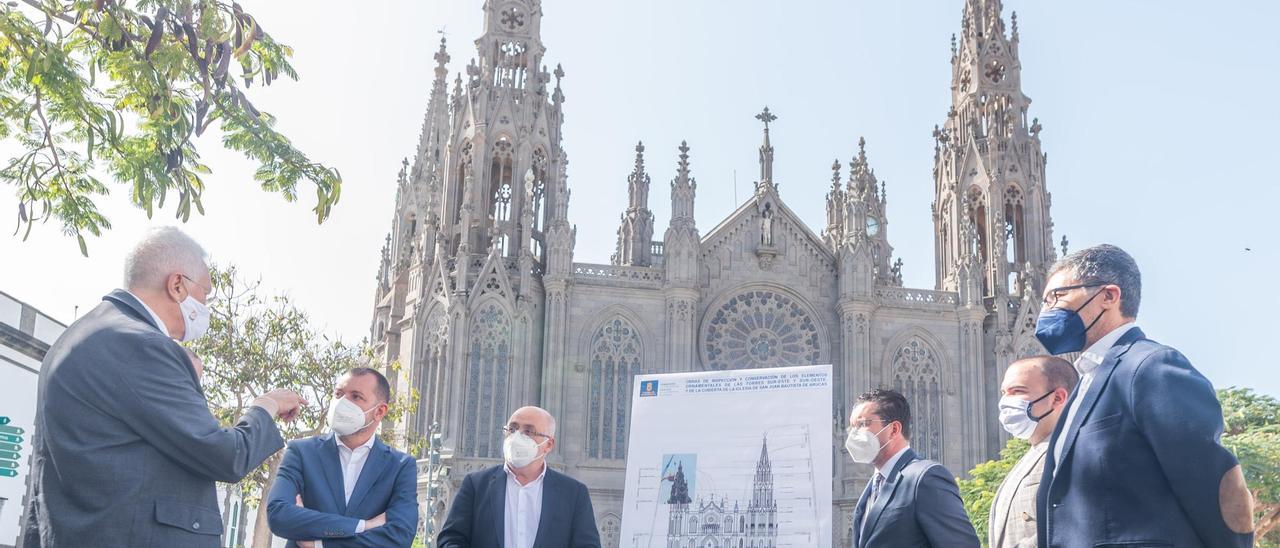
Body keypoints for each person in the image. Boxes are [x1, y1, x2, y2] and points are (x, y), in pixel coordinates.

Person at [21, 226, 305, 547]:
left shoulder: (74, 338)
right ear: (177, 285)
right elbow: (226, 456)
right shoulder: (140, 345)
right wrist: (266, 405)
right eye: (206, 295)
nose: (206, 307)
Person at [1035, 244, 1255, 547]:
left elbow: (1211, 482)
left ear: (1108, 296)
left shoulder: (1150, 366)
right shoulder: (1084, 383)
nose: (1046, 311)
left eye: (1056, 297)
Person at [266, 367, 418, 547]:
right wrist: (363, 526)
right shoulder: (301, 452)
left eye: (356, 396)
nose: (342, 402)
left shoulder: (400, 466)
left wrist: (317, 544)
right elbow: (279, 515)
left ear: (379, 411)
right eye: (338, 394)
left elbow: (399, 537)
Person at [438, 406, 601, 548]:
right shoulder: (476, 485)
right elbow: (451, 539)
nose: (517, 437)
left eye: (528, 431)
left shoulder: (573, 493)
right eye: (512, 429)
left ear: (549, 445)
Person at [848, 389, 978, 547]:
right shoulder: (873, 486)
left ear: (894, 429)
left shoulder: (926, 478)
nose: (854, 434)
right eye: (852, 427)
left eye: (862, 424)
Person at [988, 355, 1077, 548]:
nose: (1005, 402)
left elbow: (1070, 529)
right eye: (1004, 392)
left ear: (1057, 398)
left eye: (1017, 391)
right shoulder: (1033, 455)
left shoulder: (1074, 453)